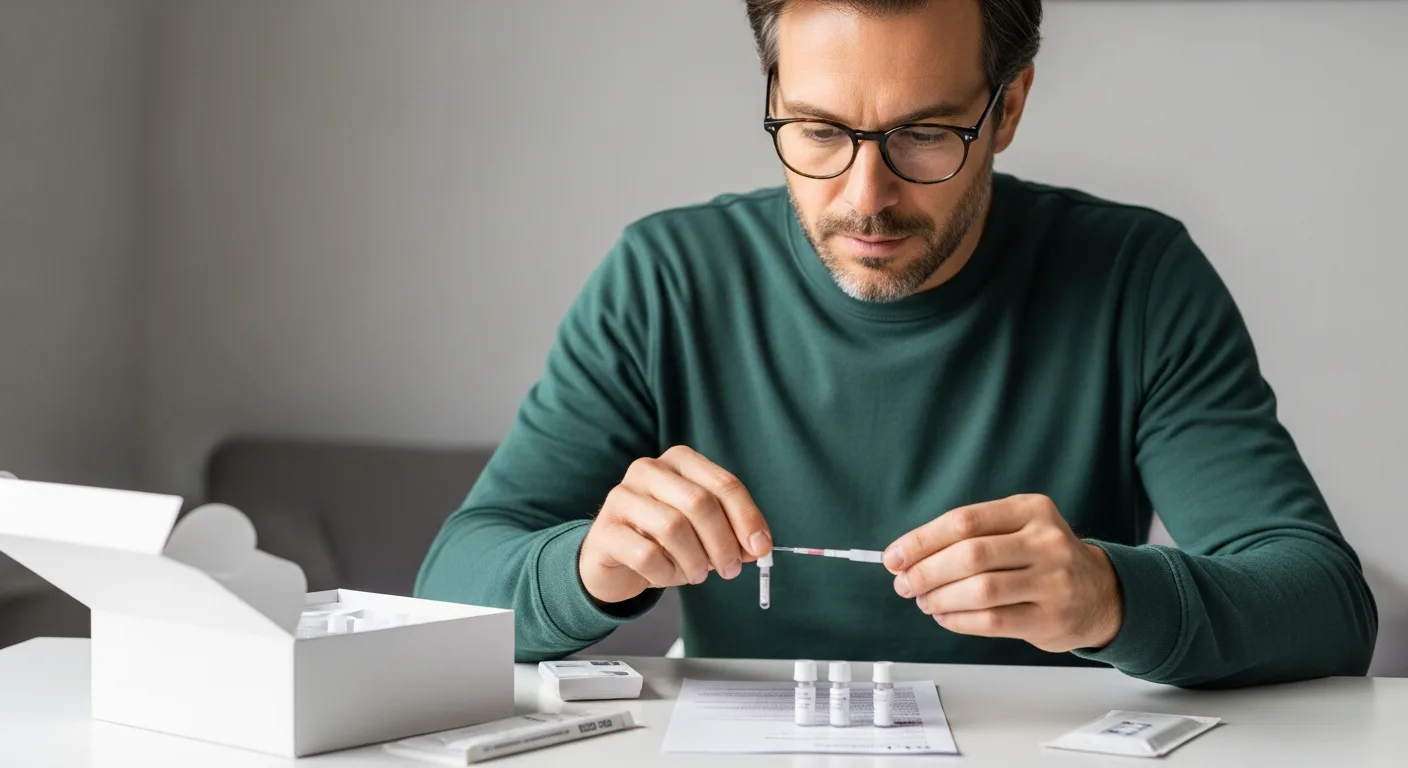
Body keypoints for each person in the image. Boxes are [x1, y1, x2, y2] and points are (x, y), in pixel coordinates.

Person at [415, 0, 1377, 688]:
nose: (864, 196)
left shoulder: (1137, 275)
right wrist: (592, 565)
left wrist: (1109, 596)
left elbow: (1326, 602)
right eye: (819, 131)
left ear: (1007, 107)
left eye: (922, 135)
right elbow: (452, 586)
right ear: (774, 92)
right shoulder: (665, 275)